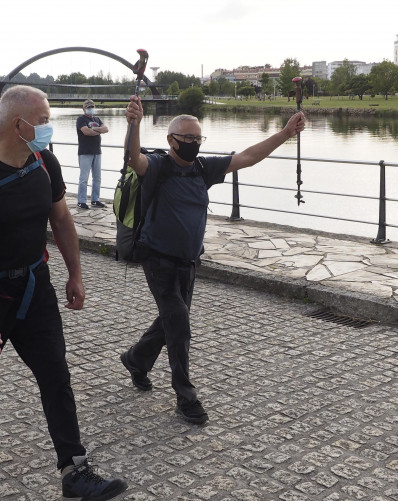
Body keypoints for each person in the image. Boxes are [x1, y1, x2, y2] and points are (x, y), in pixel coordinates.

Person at [0, 85, 127, 499]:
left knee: (55, 375)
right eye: (43, 120)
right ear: (17, 123)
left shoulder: (46, 163)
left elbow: (61, 221)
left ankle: (74, 469)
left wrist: (75, 274)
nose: (48, 126)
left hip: (34, 288)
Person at [119, 95, 306, 425]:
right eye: (186, 138)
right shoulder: (158, 166)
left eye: (197, 138)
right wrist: (133, 123)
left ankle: (136, 359)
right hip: (158, 259)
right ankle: (186, 395)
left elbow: (247, 157)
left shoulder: (203, 168)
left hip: (190, 262)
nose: (192, 143)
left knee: (170, 321)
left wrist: (285, 134)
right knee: (178, 321)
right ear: (170, 140)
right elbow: (134, 158)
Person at [75, 99, 109, 210]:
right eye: (88, 107)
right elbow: (86, 132)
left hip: (97, 152)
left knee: (97, 178)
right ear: (84, 109)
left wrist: (94, 128)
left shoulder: (97, 119)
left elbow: (106, 129)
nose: (91, 109)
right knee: (84, 178)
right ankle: (81, 201)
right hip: (85, 152)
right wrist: (99, 131)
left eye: (92, 107)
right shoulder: (81, 119)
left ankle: (95, 200)